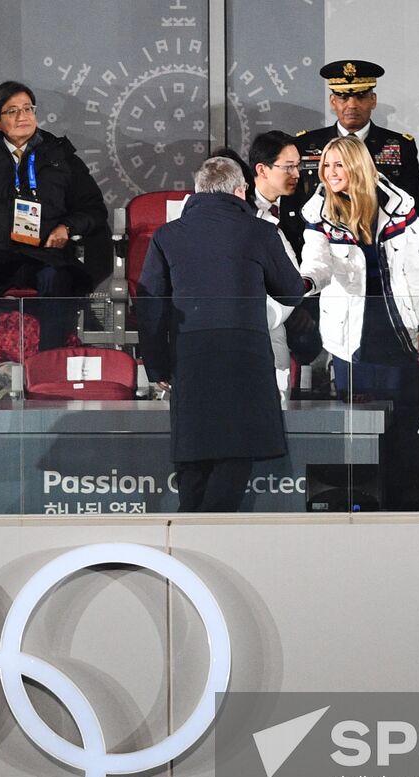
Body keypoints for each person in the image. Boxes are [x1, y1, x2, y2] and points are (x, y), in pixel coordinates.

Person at [135, 156, 309, 513]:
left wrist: (158, 369)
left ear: (197, 193)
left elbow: (150, 307)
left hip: (190, 353)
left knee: (194, 449)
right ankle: (210, 528)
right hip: (244, 352)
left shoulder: (167, 236)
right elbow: (291, 291)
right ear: (241, 191)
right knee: (236, 447)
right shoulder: (261, 232)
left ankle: (187, 531)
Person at [0, 80, 109, 395]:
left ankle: (46, 373)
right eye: (12, 111)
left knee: (57, 278)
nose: (23, 116)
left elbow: (93, 208)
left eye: (28, 108)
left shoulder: (61, 158)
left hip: (44, 253)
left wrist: (66, 227)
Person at [299, 136, 419, 509]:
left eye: (338, 165)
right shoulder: (318, 211)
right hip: (350, 338)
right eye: (326, 166)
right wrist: (307, 281)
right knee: (357, 428)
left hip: (398, 331)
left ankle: (407, 502)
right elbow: (317, 262)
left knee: (404, 425)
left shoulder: (399, 206)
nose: (330, 174)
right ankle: (361, 503)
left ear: (357, 166)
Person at [288, 60, 419, 273]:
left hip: (381, 257)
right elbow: (293, 206)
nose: (351, 105)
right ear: (332, 101)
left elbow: (413, 209)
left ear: (373, 100)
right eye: (342, 97)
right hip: (321, 257)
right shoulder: (306, 144)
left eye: (360, 96)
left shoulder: (399, 145)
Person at [242, 132, 313, 399]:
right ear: (261, 169)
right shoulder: (239, 209)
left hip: (303, 307)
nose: (296, 174)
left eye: (298, 166)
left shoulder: (306, 202)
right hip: (256, 318)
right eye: (288, 167)